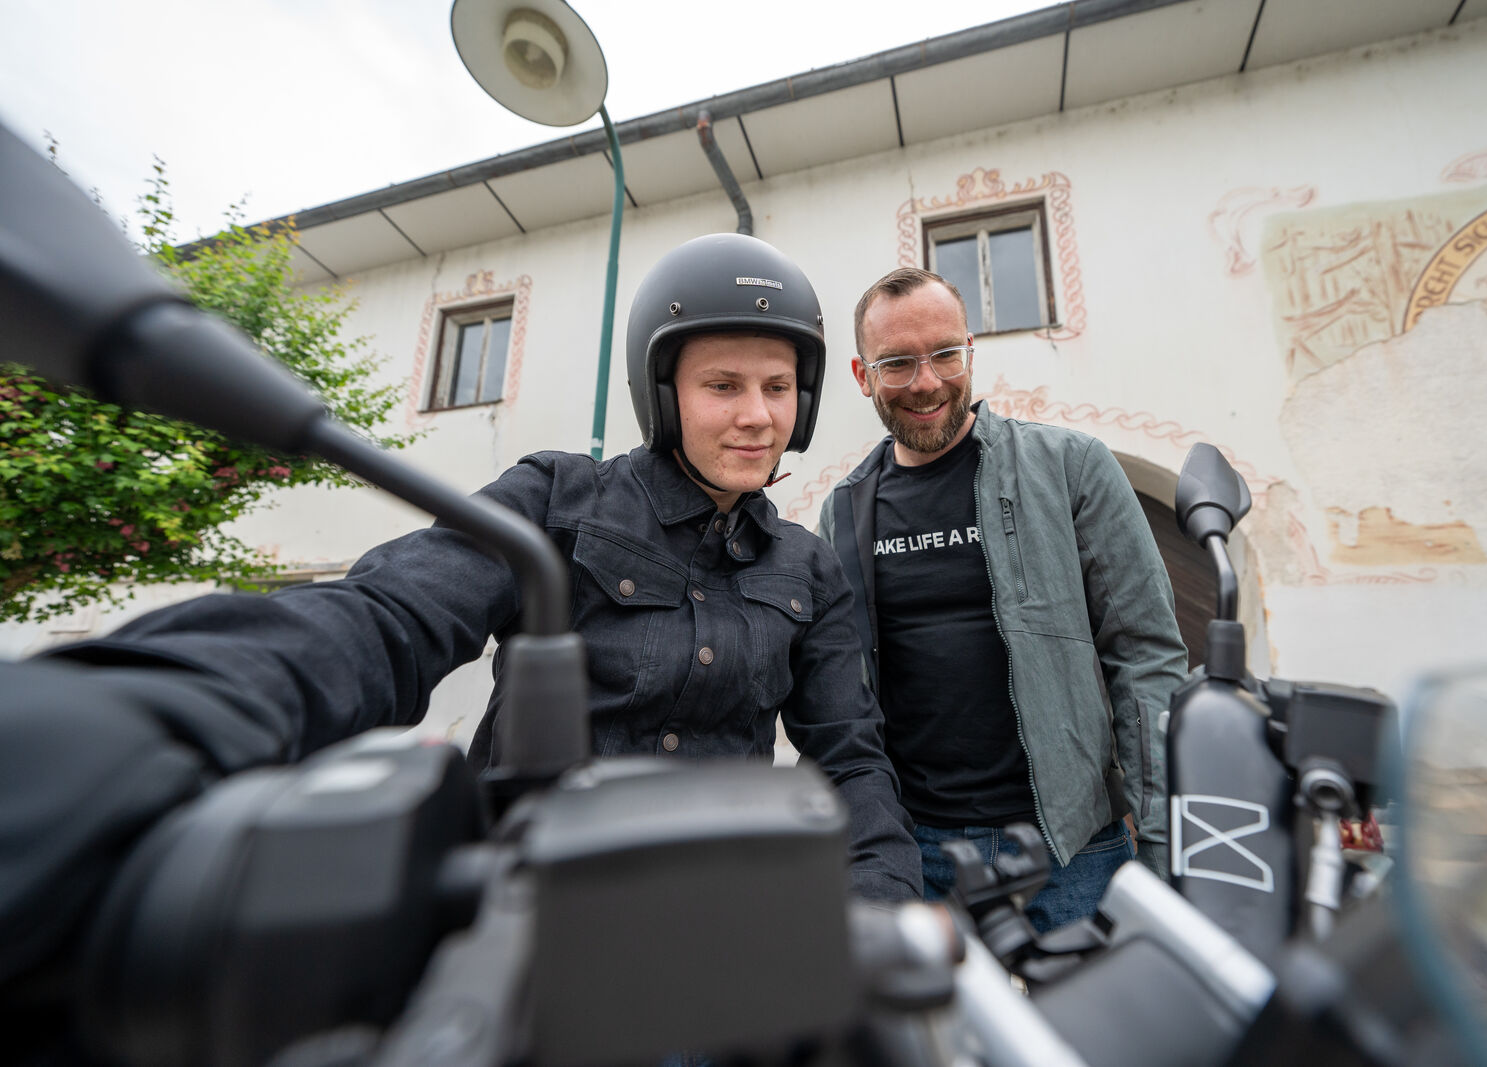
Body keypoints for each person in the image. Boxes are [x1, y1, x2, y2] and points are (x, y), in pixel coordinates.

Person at [0, 234, 922, 1002]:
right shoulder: (556, 501)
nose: (757, 415)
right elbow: (392, 614)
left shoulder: (806, 566)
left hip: (720, 944)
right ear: (663, 389)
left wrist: (882, 913)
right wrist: (173, 707)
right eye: (723, 385)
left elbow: (849, 755)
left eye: (778, 387)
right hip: (526, 939)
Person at [817, 266, 1188, 933]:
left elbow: (1145, 657)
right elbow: (841, 695)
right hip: (917, 853)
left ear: (970, 352)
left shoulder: (1072, 467)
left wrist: (1161, 839)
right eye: (896, 363)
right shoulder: (842, 512)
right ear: (862, 375)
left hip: (1072, 849)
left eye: (944, 354)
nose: (926, 381)